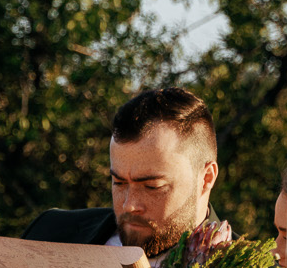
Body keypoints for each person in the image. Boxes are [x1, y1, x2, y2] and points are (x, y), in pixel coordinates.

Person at [21, 86, 220, 255]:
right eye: (119, 183)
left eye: (152, 186)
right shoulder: (49, 233)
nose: (129, 205)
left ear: (206, 178)